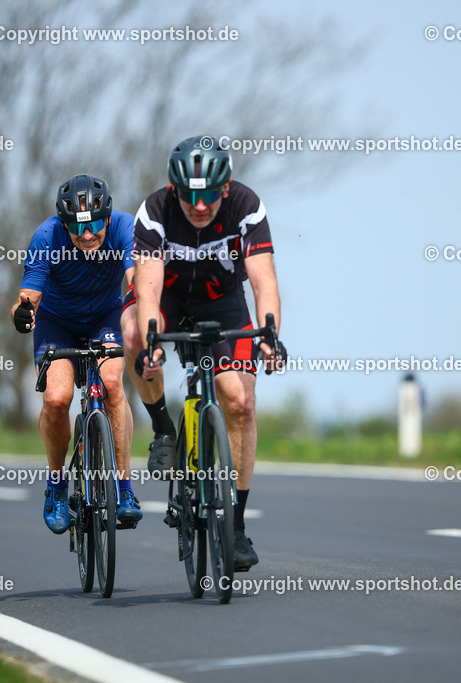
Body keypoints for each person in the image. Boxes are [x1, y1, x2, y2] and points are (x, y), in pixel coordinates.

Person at [121, 136, 285, 571]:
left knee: (240, 402)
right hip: (168, 299)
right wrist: (152, 342)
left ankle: (235, 525)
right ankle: (163, 429)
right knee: (133, 333)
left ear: (225, 188)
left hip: (221, 301)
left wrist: (270, 334)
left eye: (209, 195)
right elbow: (148, 288)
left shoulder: (246, 206)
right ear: (174, 189)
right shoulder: (154, 211)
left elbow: (264, 281)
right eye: (188, 196)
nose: (198, 206)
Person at [11, 174, 142, 534]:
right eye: (77, 228)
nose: (87, 236)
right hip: (57, 322)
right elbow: (26, 299)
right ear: (63, 224)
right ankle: (56, 485)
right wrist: (22, 314)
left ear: (108, 218)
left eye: (95, 226)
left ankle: (124, 489)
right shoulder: (47, 236)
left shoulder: (125, 227)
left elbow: (136, 280)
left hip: (106, 316)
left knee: (112, 384)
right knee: (56, 399)